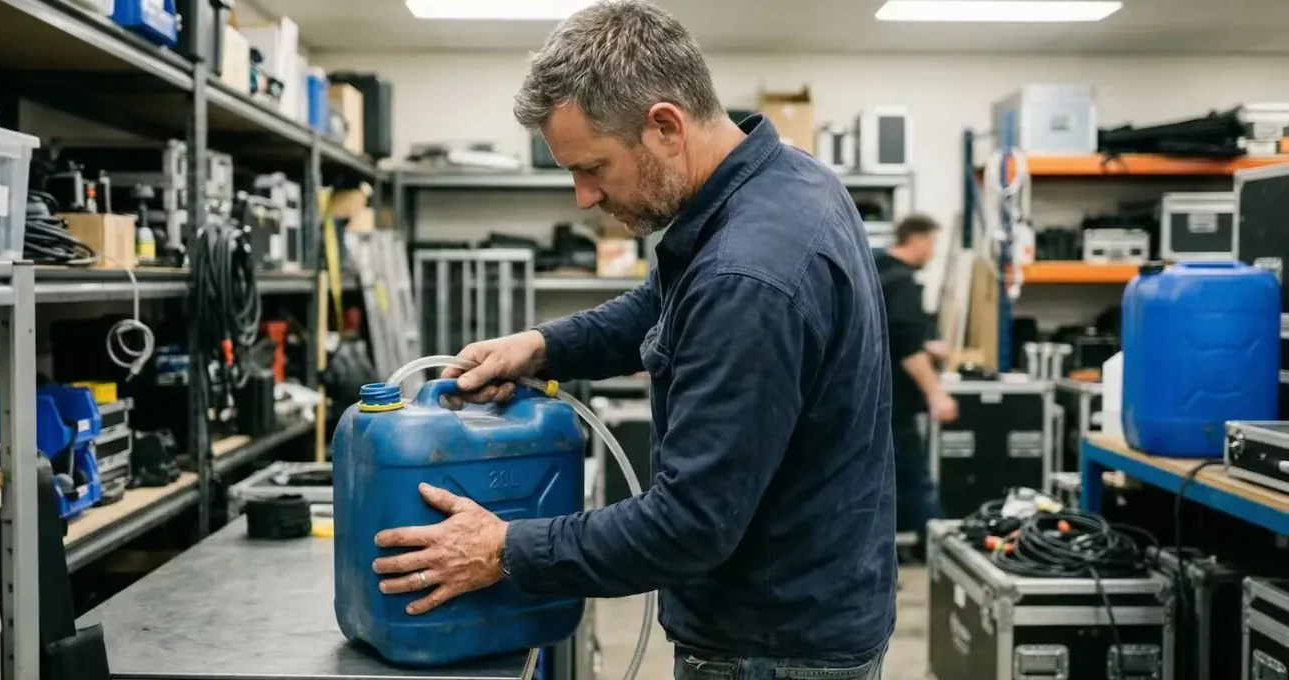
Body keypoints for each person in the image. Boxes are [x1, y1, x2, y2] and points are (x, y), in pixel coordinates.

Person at [368, 2, 896, 677]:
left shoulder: (748, 277)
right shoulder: (786, 180)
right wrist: (542, 346)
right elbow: (663, 305)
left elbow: (688, 527)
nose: (584, 197)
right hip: (815, 599)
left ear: (666, 126)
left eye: (592, 167)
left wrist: (503, 548)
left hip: (771, 647)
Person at [873, 215, 958, 555]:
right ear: (917, 239)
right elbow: (906, 347)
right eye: (932, 243)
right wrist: (937, 394)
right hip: (893, 406)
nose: (933, 252)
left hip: (868, 399)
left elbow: (889, 334)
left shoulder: (874, 269)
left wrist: (925, 345)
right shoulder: (903, 281)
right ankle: (944, 555)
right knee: (915, 482)